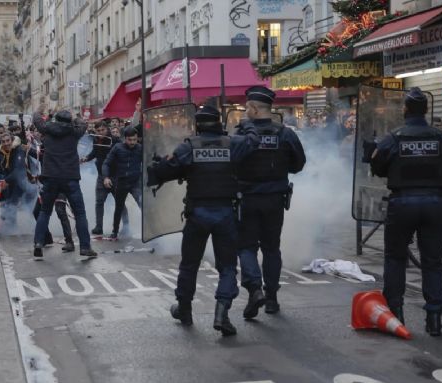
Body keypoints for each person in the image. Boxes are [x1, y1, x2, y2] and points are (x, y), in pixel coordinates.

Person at [147, 104, 259, 336]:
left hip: (197, 214)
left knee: (189, 265)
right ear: (219, 123)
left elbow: (167, 170)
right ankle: (222, 313)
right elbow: (252, 141)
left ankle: (185, 309)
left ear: (197, 125)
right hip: (226, 213)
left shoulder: (189, 147)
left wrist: (157, 165)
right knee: (227, 266)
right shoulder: (233, 144)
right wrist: (247, 122)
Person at [368, 87, 442, 336]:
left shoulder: (394, 137)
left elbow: (377, 166)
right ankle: (434, 317)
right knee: (433, 261)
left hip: (402, 203)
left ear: (404, 109)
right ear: (426, 110)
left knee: (395, 258)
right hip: (436, 202)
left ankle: (395, 312)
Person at [236, 86, 306, 319]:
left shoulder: (242, 133)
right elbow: (298, 164)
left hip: (246, 199)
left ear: (255, 109)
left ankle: (255, 289)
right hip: (275, 199)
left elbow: (230, 163)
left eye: (247, 108)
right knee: (271, 248)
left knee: (246, 246)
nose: (246, 112)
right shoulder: (285, 133)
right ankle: (272, 299)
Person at [31, 107, 97, 259]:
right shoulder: (75, 131)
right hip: (70, 177)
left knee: (45, 212)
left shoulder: (47, 128)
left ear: (56, 120)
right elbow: (83, 123)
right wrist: (75, 117)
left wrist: (42, 113)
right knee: (80, 213)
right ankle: (85, 247)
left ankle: (38, 244)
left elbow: (36, 118)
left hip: (50, 177)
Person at [80, 121, 127, 234]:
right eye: (98, 131)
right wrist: (86, 158)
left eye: (103, 130)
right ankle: (99, 227)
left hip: (115, 176)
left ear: (107, 129)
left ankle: (126, 225)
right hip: (102, 176)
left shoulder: (115, 141)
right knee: (99, 202)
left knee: (119, 202)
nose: (101, 132)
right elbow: (94, 153)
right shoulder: (96, 140)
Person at [102, 127, 142, 239]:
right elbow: (106, 163)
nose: (132, 142)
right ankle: (115, 231)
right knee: (119, 208)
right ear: (125, 138)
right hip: (122, 182)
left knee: (143, 205)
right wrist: (106, 177)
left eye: (134, 139)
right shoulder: (117, 148)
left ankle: (150, 231)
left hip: (136, 183)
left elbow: (150, 160)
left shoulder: (140, 148)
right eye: (130, 140)